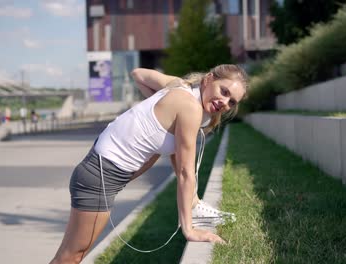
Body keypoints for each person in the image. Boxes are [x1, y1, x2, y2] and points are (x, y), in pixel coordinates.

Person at [50, 64, 248, 264]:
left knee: (67, 257)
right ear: (208, 79)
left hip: (96, 169)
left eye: (232, 101)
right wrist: (189, 230)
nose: (224, 102)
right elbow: (185, 172)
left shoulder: (178, 85)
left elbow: (139, 74)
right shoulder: (190, 107)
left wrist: (155, 107)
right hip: (100, 179)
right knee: (70, 258)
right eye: (224, 91)